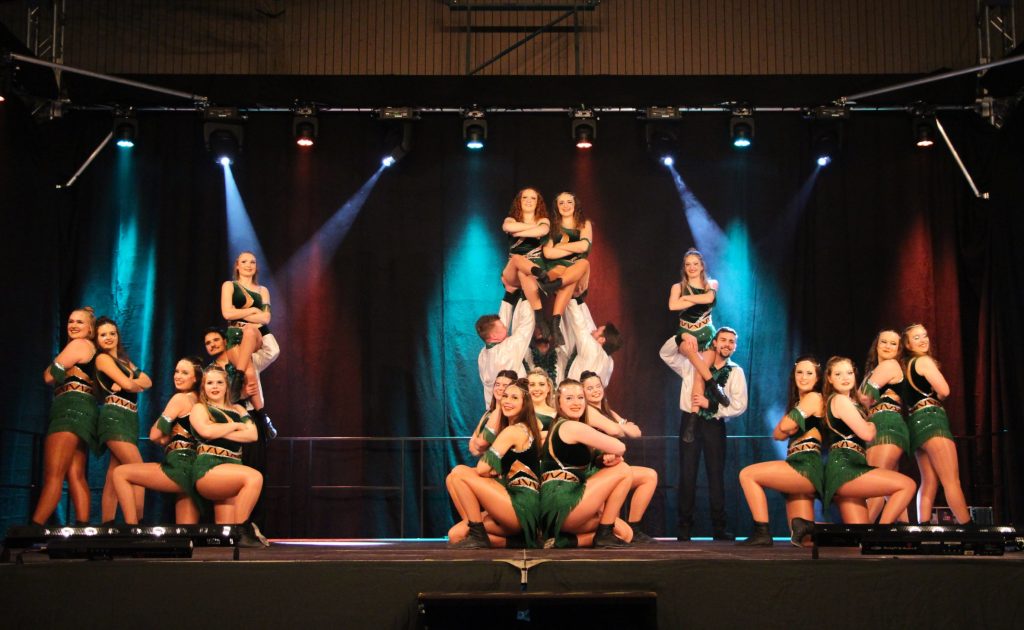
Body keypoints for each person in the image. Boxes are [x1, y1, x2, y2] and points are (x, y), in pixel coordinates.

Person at [660, 327, 748, 541]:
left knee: (716, 475)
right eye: (723, 340)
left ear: (735, 347)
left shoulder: (735, 371)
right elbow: (666, 353)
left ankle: (719, 527)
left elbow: (739, 405)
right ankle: (684, 526)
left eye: (731, 342)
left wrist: (711, 405)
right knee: (687, 473)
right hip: (689, 422)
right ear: (714, 342)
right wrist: (680, 336)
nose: (727, 344)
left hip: (714, 425)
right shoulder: (692, 363)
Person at [736, 356, 824, 547]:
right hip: (798, 465)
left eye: (809, 373)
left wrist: (790, 426)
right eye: (799, 372)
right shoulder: (798, 403)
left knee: (748, 474)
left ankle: (762, 532)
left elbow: (784, 427)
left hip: (805, 466)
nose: (804, 377)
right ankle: (847, 533)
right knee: (803, 538)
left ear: (817, 378)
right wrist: (789, 425)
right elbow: (777, 434)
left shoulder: (814, 397)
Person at [448, 379, 544, 548]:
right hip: (512, 499)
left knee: (459, 473)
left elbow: (482, 468)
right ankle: (513, 540)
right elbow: (477, 447)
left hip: (522, 505)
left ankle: (477, 535)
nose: (507, 401)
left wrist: (489, 471)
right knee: (455, 535)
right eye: (505, 396)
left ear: (525, 404)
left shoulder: (513, 431)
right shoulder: (527, 426)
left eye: (514, 398)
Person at [821, 356, 916, 524]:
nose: (845, 378)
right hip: (846, 470)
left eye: (849, 373)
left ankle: (810, 529)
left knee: (860, 532)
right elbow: (867, 434)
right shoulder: (840, 400)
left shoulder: (849, 403)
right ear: (829, 378)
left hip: (848, 469)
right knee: (907, 485)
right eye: (838, 374)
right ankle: (881, 533)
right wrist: (871, 424)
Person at [539, 379, 634, 548]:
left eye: (580, 397)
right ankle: (604, 534)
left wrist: (606, 458)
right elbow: (620, 447)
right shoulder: (570, 426)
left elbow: (596, 457)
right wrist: (614, 454)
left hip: (566, 505)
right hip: (562, 503)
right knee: (624, 470)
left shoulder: (573, 426)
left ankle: (565, 541)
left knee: (626, 533)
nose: (576, 403)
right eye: (569, 398)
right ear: (559, 402)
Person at [111, 357, 205, 524]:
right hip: (195, 469)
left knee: (120, 473)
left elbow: (154, 434)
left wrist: (163, 436)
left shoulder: (180, 399)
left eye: (184, 372)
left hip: (179, 467)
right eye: (176, 371)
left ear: (196, 378)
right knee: (186, 531)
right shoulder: (200, 401)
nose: (178, 376)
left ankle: (133, 529)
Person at [31, 307, 99, 527]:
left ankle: (33, 528)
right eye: (71, 321)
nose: (73, 325)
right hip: (84, 411)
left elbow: (49, 376)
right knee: (75, 474)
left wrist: (53, 367)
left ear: (90, 328)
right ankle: (82, 529)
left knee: (54, 475)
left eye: (80, 322)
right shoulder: (91, 348)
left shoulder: (78, 345)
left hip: (69, 409)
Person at [901, 324, 971, 524]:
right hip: (932, 419)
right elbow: (944, 390)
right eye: (916, 337)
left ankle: (923, 528)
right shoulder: (923, 361)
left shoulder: (905, 367)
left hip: (914, 424)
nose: (923, 340)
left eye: (924, 335)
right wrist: (937, 398)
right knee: (951, 480)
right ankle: (968, 527)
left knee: (929, 482)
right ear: (907, 344)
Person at [190, 365, 266, 546]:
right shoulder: (200, 408)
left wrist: (217, 430)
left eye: (219, 382)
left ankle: (234, 539)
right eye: (210, 383)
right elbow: (205, 431)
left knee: (226, 535)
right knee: (254, 477)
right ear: (203, 387)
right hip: (209, 467)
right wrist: (236, 426)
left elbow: (252, 435)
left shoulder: (238, 409)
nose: (214, 386)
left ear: (227, 386)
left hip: (232, 469)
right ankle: (242, 531)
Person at [580, 371, 658, 544]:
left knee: (649, 476)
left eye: (598, 386)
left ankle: (635, 528)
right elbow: (616, 431)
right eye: (589, 388)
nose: (595, 391)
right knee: (616, 530)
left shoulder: (607, 410)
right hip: (595, 469)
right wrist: (623, 427)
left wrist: (621, 427)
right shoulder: (587, 410)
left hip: (612, 466)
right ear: (582, 392)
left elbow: (636, 432)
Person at [94, 316, 152, 523]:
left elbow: (148, 381)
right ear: (96, 339)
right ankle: (136, 523)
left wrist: (130, 382)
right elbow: (130, 386)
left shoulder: (124, 360)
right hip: (114, 416)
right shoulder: (102, 359)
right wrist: (133, 384)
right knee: (138, 470)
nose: (109, 337)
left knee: (114, 473)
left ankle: (107, 523)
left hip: (130, 417)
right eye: (103, 334)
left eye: (112, 333)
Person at [446, 369, 518, 524]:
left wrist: (481, 442)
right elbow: (473, 447)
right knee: (451, 477)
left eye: (505, 385)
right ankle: (471, 524)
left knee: (458, 473)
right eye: (497, 384)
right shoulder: (488, 413)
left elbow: (481, 443)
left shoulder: (505, 414)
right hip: (485, 468)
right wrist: (481, 442)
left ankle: (473, 526)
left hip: (498, 472)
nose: (500, 388)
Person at [666, 249, 730, 411]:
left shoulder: (712, 283)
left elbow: (709, 298)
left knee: (699, 376)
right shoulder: (677, 287)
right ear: (684, 267)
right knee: (689, 349)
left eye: (695, 264)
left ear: (702, 266)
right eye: (688, 264)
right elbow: (673, 305)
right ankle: (714, 386)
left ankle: (692, 419)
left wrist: (686, 298)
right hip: (685, 332)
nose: (692, 267)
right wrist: (697, 299)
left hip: (707, 333)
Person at [858, 329, 910, 522]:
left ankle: (863, 532)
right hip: (877, 426)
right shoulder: (874, 371)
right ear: (876, 346)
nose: (888, 346)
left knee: (875, 485)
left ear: (899, 349)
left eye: (893, 343)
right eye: (884, 342)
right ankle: (905, 531)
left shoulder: (890, 365)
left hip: (887, 424)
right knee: (890, 486)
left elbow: (864, 397)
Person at [220, 251, 276, 412]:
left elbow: (266, 318)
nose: (249, 265)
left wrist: (239, 313)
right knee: (250, 375)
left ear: (256, 267)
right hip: (234, 336)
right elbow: (227, 314)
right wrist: (252, 310)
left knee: (250, 330)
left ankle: (237, 376)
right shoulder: (229, 285)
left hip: (254, 336)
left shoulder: (262, 290)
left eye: (252, 262)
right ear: (237, 266)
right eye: (244, 261)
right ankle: (262, 416)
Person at [539, 192, 593, 338]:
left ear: (575, 205)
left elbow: (583, 246)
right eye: (561, 203)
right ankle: (555, 324)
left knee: (583, 262)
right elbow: (548, 254)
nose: (565, 205)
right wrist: (574, 248)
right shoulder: (553, 227)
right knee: (567, 275)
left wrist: (559, 247)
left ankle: (556, 284)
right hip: (559, 270)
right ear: (556, 206)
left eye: (569, 202)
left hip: (577, 271)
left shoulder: (584, 224)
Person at [476, 293, 535, 408]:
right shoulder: (508, 349)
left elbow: (500, 325)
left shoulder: (483, 354)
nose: (506, 328)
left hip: (493, 410)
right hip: (512, 409)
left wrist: (508, 296)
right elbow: (527, 325)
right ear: (493, 336)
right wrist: (526, 295)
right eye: (503, 327)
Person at [500, 188, 550, 314]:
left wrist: (517, 232)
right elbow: (507, 226)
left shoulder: (543, 220)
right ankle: (540, 274)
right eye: (525, 197)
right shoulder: (511, 219)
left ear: (538, 202)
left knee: (524, 274)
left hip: (534, 264)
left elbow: (543, 230)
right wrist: (534, 228)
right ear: (519, 201)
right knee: (517, 258)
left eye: (533, 198)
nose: (529, 201)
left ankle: (537, 319)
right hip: (513, 269)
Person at [563, 298, 621, 386]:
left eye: (597, 330)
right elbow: (604, 384)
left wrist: (571, 299)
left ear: (602, 340)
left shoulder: (591, 347)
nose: (593, 330)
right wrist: (580, 302)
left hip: (573, 392)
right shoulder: (610, 363)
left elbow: (579, 324)